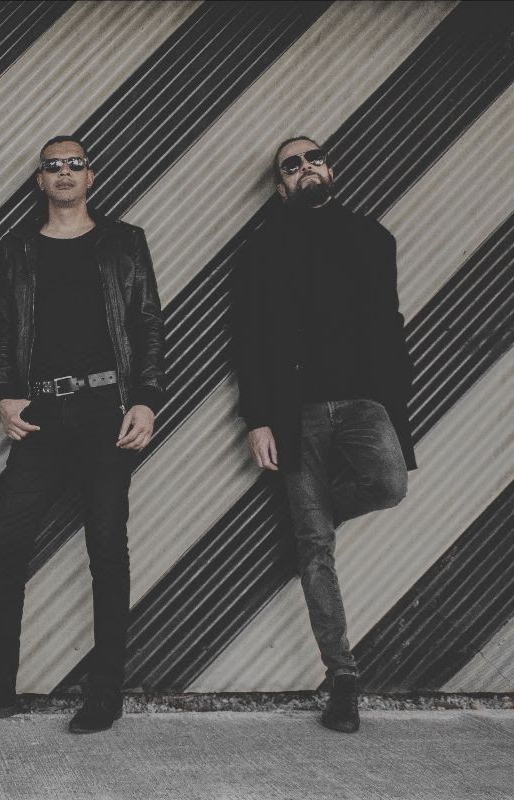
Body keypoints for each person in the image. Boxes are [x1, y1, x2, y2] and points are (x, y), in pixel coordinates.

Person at [0, 136, 164, 733]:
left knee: (107, 549)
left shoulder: (124, 242)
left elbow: (148, 324)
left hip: (105, 411)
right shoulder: (19, 248)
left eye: (74, 165)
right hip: (41, 415)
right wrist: (4, 394)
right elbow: (5, 329)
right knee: (7, 544)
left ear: (91, 176)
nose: (64, 173)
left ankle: (106, 689)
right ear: (39, 180)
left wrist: (146, 399)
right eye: (52, 166)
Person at [232, 136, 416, 733]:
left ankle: (312, 516)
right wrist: (257, 418)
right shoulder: (262, 251)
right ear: (280, 185)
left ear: (330, 170)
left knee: (389, 485)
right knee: (315, 549)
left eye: (313, 158)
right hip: (295, 411)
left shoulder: (372, 238)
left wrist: (395, 398)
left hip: (365, 401)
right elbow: (248, 340)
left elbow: (389, 321)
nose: (305, 167)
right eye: (291, 165)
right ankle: (343, 678)